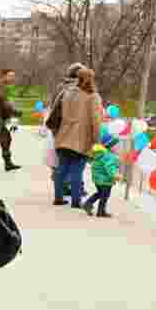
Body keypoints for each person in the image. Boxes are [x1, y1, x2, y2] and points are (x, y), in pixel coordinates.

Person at [53, 67, 103, 208]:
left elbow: (56, 112)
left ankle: (58, 198)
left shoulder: (66, 93)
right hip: (81, 138)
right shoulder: (93, 97)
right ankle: (76, 201)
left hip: (63, 136)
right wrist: (97, 141)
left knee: (61, 169)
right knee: (77, 171)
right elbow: (96, 121)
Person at [83, 135, 120, 218]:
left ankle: (88, 204)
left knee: (100, 193)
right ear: (110, 147)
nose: (117, 148)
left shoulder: (100, 153)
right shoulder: (109, 156)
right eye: (115, 146)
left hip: (98, 179)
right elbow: (110, 167)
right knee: (105, 196)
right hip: (105, 180)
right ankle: (101, 211)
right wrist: (115, 175)